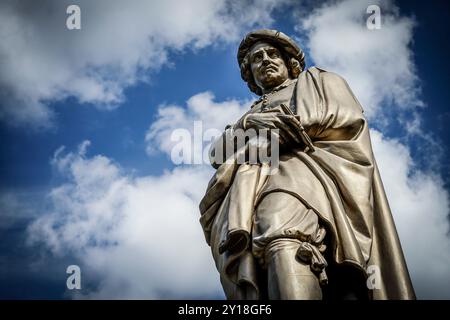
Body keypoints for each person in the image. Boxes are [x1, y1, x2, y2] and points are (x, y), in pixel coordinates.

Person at [199, 29, 415, 300]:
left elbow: (345, 119)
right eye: (256, 59)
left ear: (290, 62)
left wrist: (276, 135)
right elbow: (216, 155)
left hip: (306, 174)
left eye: (272, 54)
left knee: (281, 233)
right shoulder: (252, 114)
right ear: (250, 73)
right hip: (252, 192)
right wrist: (248, 123)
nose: (265, 60)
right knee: (264, 254)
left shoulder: (320, 81)